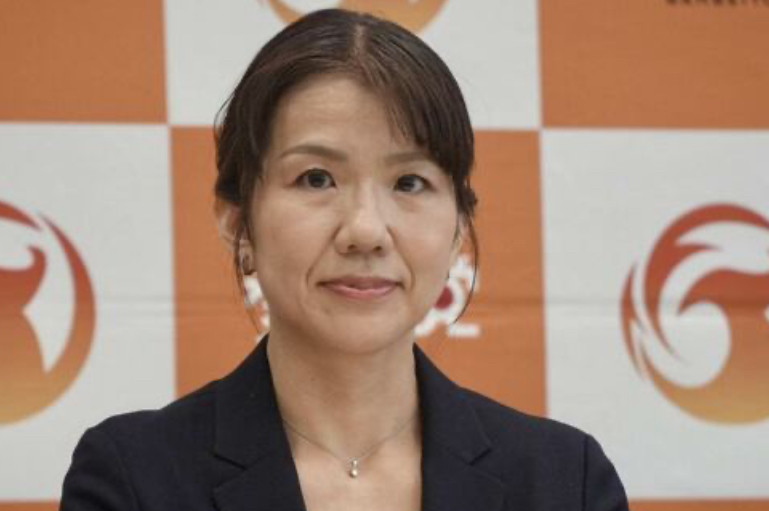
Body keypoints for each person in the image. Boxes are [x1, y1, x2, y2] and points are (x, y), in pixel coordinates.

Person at [60, 8, 629, 511]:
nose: (366, 231)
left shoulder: (564, 480)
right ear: (237, 222)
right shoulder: (134, 478)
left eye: (409, 182)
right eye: (316, 178)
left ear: (459, 227)